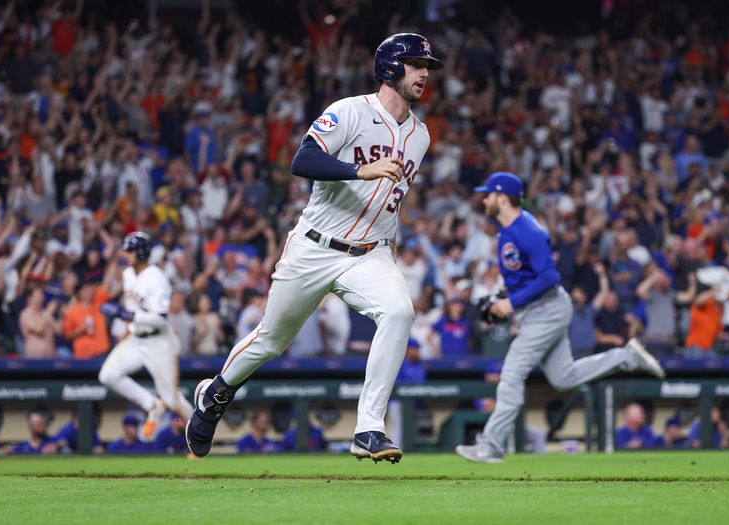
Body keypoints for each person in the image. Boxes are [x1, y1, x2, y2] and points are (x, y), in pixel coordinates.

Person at [186, 33, 443, 464]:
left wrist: (390, 246)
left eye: (427, 66)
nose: (424, 73)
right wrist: (360, 170)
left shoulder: (421, 136)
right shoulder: (350, 111)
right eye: (417, 63)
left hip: (370, 252)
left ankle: (369, 429)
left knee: (399, 311)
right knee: (271, 340)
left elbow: (390, 202)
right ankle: (215, 394)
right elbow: (301, 161)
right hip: (316, 247)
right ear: (390, 67)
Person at [455, 172, 665, 464]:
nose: (484, 199)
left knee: (512, 375)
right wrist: (504, 295)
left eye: (488, 194)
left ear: (502, 198)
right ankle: (625, 357)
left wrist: (510, 303)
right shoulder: (507, 228)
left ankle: (492, 445)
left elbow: (550, 276)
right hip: (537, 311)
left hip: (547, 309)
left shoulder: (529, 230)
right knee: (563, 377)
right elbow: (526, 274)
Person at [98, 232, 194, 442]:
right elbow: (133, 306)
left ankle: (200, 436)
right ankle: (151, 404)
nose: (125, 254)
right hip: (136, 338)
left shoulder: (156, 278)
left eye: (129, 251)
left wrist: (127, 315)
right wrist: (127, 321)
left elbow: (160, 318)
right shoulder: (128, 274)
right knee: (108, 376)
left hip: (159, 341)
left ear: (140, 253)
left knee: (171, 398)